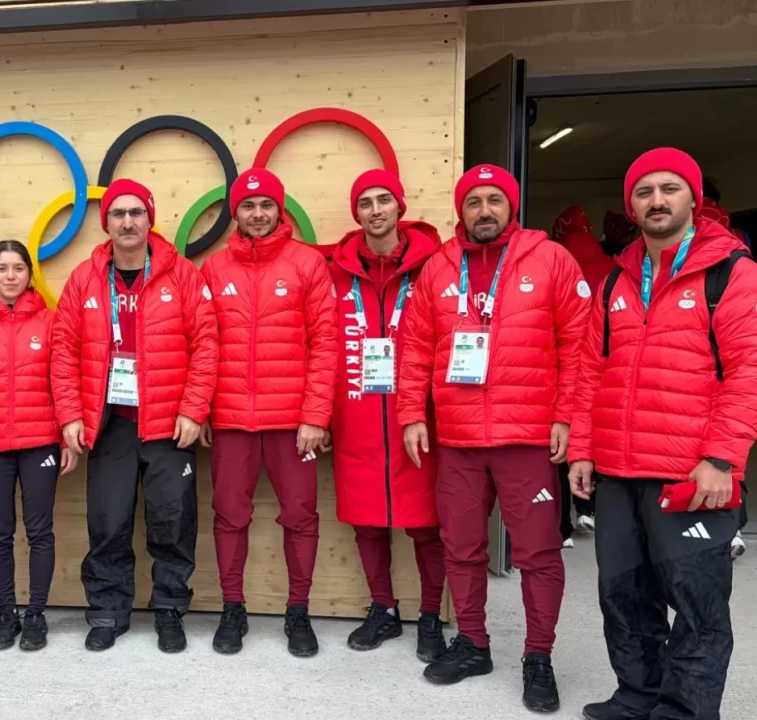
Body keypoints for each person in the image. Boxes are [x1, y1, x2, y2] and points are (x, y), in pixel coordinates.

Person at [568, 148, 757, 720]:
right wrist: (581, 449)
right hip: (619, 472)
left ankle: (685, 711)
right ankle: (638, 697)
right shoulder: (616, 280)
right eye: (645, 191)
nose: (657, 200)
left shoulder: (730, 271)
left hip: (690, 473)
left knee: (697, 606)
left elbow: (748, 368)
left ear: (693, 200)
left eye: (669, 189)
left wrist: (722, 458)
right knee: (623, 597)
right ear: (631, 205)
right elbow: (589, 370)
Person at [397, 163, 589, 712]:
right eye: (474, 201)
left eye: (494, 200)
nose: (484, 210)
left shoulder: (550, 258)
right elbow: (414, 347)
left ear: (512, 206)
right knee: (461, 547)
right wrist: (412, 413)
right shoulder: (439, 268)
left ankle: (538, 656)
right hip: (456, 437)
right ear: (461, 211)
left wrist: (566, 415)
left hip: (526, 434)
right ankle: (474, 642)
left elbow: (578, 343)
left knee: (538, 553)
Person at [52, 179, 219, 653]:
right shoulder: (84, 279)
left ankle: (169, 610)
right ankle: (107, 611)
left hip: (169, 423)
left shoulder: (182, 275)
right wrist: (69, 416)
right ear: (106, 222)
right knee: (107, 523)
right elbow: (63, 351)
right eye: (118, 214)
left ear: (150, 219)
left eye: (136, 213)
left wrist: (193, 407)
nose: (127, 222)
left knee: (173, 521)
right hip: (108, 425)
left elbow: (207, 345)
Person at [198, 168, 335, 657]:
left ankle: (298, 612)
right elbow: (203, 345)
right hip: (232, 419)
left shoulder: (307, 264)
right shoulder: (214, 270)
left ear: (281, 211)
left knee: (300, 517)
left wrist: (316, 415)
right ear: (235, 212)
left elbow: (326, 344)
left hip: (292, 423)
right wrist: (206, 408)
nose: (257, 215)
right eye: (248, 206)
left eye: (266, 206)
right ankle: (232, 608)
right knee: (229, 516)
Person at [323, 169, 447, 663]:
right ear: (356, 214)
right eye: (365, 203)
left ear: (400, 207)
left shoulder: (435, 266)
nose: (375, 211)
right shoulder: (334, 270)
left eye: (383, 201)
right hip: (354, 411)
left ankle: (433, 615)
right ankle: (384, 609)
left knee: (426, 523)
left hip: (416, 414)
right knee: (367, 522)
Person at [0, 240, 76, 652]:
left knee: (40, 532)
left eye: (18, 268)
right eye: (2, 268)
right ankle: (8, 613)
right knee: (0, 534)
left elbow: (63, 382)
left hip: (40, 443)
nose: (10, 276)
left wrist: (66, 436)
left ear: (28, 275)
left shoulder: (50, 323)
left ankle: (36, 614)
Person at [551, 205, 609, 540]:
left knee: (560, 447)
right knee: (594, 439)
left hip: (566, 364)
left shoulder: (557, 260)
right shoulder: (612, 265)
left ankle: (563, 528)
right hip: (604, 364)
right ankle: (589, 508)